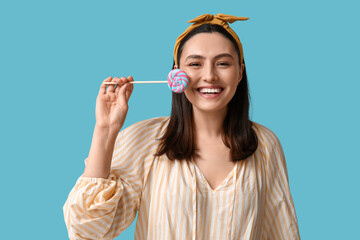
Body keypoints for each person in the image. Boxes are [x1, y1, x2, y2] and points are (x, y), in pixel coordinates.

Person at [63, 13, 300, 240]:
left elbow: (281, 231)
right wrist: (105, 128)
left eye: (223, 63)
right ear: (176, 74)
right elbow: (86, 230)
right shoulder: (144, 140)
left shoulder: (265, 144)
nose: (209, 75)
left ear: (240, 73)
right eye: (195, 64)